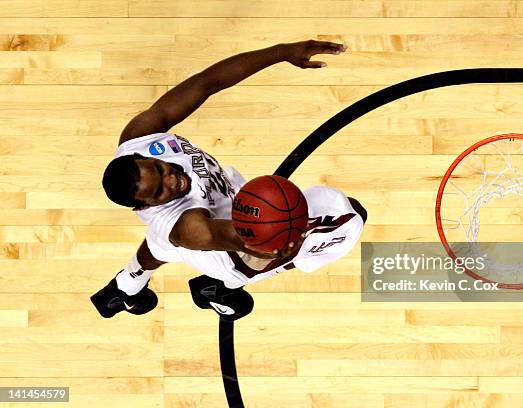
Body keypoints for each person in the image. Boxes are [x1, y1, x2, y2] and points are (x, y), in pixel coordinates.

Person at [91, 40, 367, 320]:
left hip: (216, 212)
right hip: (232, 253)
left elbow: (207, 83)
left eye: (160, 169)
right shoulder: (182, 225)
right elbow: (231, 238)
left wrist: (281, 52)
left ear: (143, 156)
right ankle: (216, 288)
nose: (172, 180)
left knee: (160, 245)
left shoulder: (139, 138)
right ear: (145, 206)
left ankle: (126, 286)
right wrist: (281, 240)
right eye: (161, 191)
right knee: (350, 214)